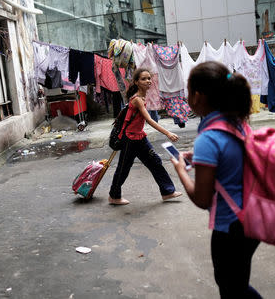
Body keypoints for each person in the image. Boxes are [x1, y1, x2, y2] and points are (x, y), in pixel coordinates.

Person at [171, 61, 262, 298]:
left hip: (232, 229)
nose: (187, 97)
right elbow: (231, 163)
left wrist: (181, 169)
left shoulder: (208, 139)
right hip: (254, 218)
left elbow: (202, 199)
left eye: (188, 91)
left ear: (198, 96)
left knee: (230, 287)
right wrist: (200, 159)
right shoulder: (238, 123)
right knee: (238, 283)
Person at [108, 68, 182, 205]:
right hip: (129, 139)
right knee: (123, 168)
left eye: (149, 78)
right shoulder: (137, 100)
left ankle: (167, 192)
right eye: (144, 79)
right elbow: (149, 120)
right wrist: (168, 133)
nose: (148, 81)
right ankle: (114, 196)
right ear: (136, 82)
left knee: (155, 162)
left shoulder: (141, 97)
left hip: (139, 138)